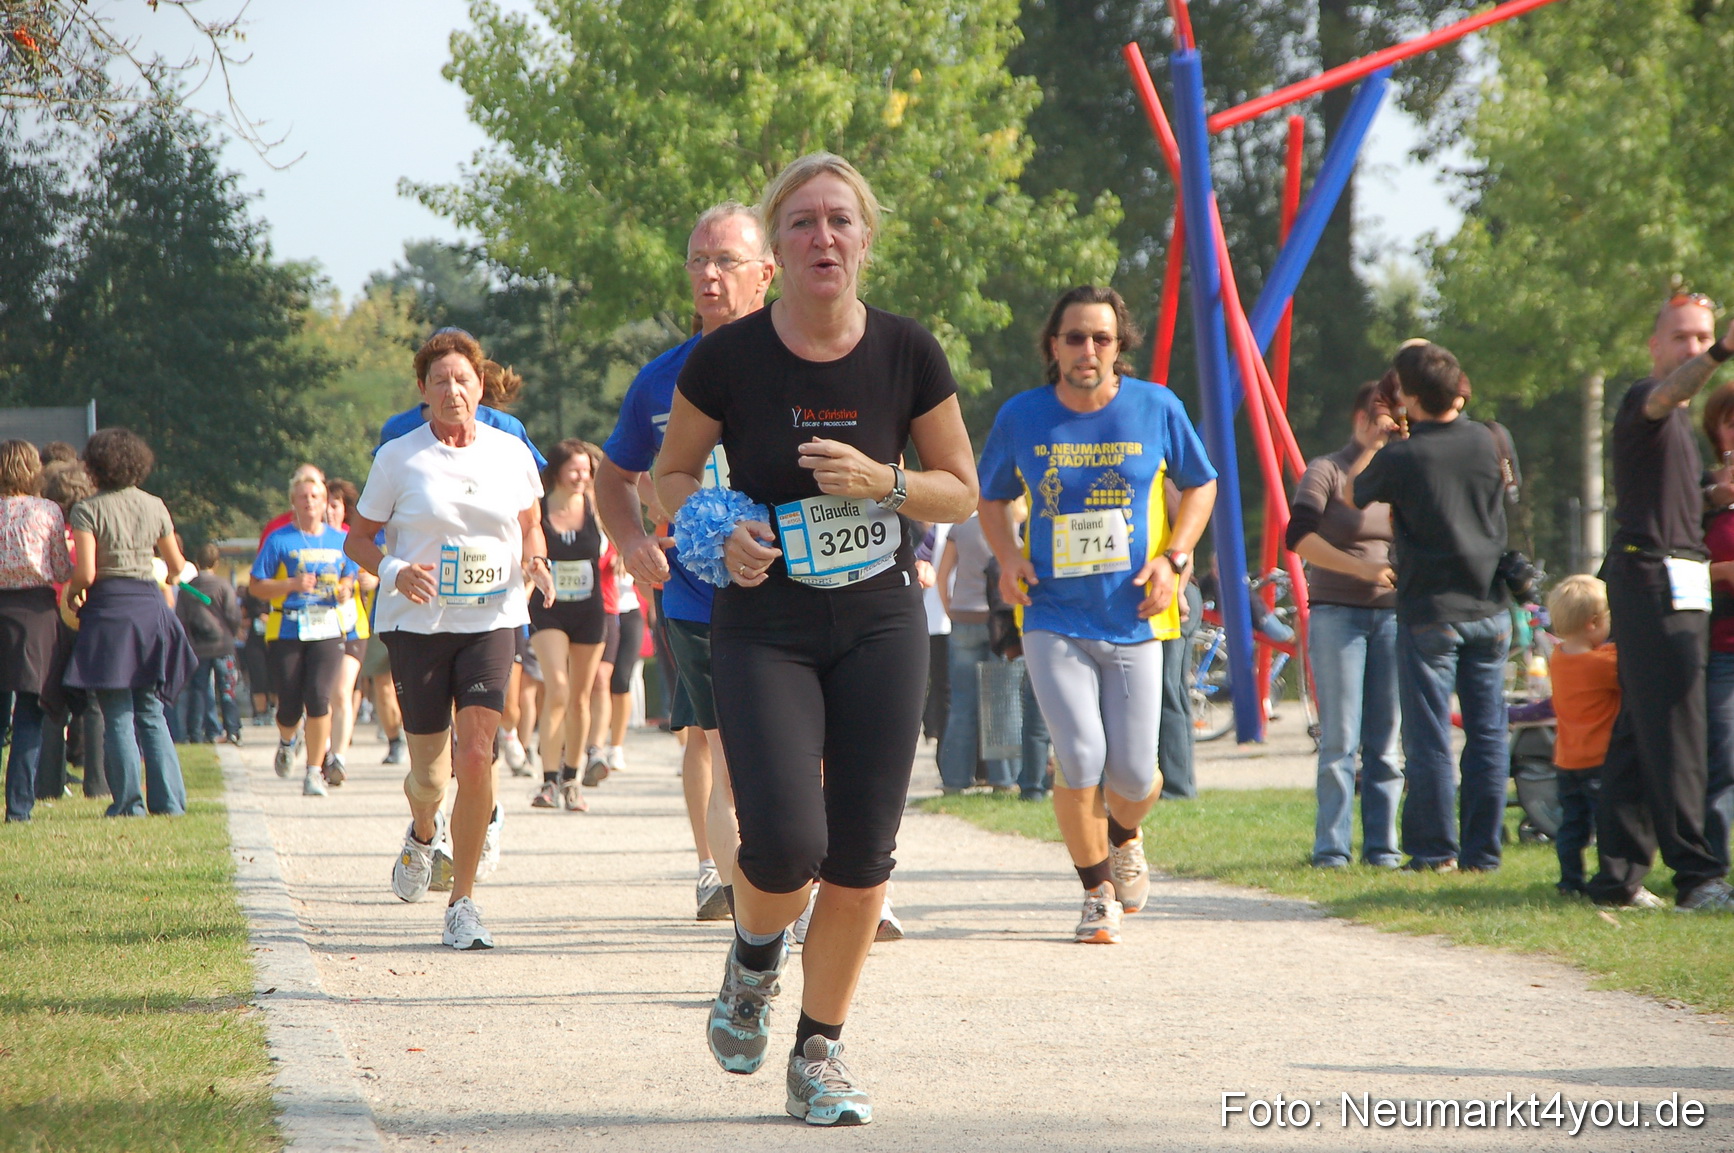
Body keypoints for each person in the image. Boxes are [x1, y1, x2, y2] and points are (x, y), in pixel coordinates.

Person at [657, 154, 978, 1125]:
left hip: (882, 619)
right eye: (801, 223)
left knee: (862, 855)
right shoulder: (729, 358)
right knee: (789, 840)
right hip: (767, 624)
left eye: (840, 220)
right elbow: (668, 478)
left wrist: (881, 482)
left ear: (865, 238)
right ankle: (755, 959)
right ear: (777, 248)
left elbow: (959, 487)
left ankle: (818, 1050)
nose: (822, 237)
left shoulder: (907, 352)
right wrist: (719, 530)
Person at [978, 285, 1217, 945]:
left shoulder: (1156, 407)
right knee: (1079, 755)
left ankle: (1124, 832)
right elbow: (990, 496)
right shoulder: (1023, 416)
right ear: (1052, 347)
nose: (1088, 350)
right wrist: (1007, 557)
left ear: (1120, 346)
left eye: (1101, 338)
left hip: (1136, 614)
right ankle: (1095, 892)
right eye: (1074, 337)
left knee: (1136, 773)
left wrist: (1175, 557)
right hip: (1053, 613)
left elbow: (1202, 482)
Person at [598, 200, 777, 921]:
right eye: (698, 260)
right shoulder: (660, 380)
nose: (708, 274)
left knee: (806, 756)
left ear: (766, 273)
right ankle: (752, 913)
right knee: (732, 761)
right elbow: (616, 478)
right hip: (702, 600)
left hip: (800, 590)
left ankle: (830, 885)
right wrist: (632, 541)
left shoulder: (804, 361)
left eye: (725, 260)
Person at [346, 328, 553, 950]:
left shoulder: (509, 448)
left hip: (492, 618)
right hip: (417, 625)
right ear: (423, 391)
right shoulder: (398, 456)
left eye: (464, 379)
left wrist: (536, 559)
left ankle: (463, 903)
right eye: (441, 381)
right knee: (431, 774)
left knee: (476, 752)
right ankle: (421, 830)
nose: (454, 390)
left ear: (481, 385)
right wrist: (394, 570)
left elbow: (530, 523)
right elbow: (359, 538)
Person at [1589, 294, 1734, 911]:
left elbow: (1667, 502)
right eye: (1683, 338)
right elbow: (1663, 395)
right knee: (1677, 727)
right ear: (1655, 346)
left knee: (1638, 730)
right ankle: (1699, 878)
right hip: (1653, 576)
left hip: (1667, 575)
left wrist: (1710, 496)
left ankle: (1617, 878)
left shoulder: (1680, 431)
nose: (1695, 347)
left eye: (1704, 338)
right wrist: (1725, 352)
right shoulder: (1646, 399)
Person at [1353, 342, 1509, 873]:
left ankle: (1434, 850)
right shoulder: (1492, 438)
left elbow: (1359, 493)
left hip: (1430, 610)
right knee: (1488, 735)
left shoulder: (1404, 453)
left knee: (1430, 738)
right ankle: (1484, 853)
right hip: (1491, 602)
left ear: (1412, 397)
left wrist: (1389, 434)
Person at [1287, 381, 1403, 869]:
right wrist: (1361, 569)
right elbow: (1298, 536)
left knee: (1386, 741)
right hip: (1339, 613)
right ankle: (1331, 848)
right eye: (1383, 414)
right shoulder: (1327, 470)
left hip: (1394, 615)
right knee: (1340, 738)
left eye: (1398, 414)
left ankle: (1383, 848)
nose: (1392, 423)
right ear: (1360, 416)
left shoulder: (1401, 470)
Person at [61, 429, 195, 818]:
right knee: (150, 710)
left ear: (95, 466)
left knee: (117, 711)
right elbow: (175, 567)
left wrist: (72, 593)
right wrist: (168, 580)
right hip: (148, 609)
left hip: (109, 612)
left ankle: (127, 803)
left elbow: (86, 572)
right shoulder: (155, 505)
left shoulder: (87, 509)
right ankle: (169, 803)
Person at [249, 466, 359, 798]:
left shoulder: (340, 539)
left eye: (315, 496)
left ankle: (313, 772)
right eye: (303, 497)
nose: (310, 502)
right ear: (293, 502)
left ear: (326, 500)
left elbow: (350, 575)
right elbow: (256, 586)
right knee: (289, 705)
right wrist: (291, 584)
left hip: (327, 628)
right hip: (287, 628)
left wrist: (346, 588)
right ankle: (287, 739)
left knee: (319, 697)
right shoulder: (279, 539)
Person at [527, 439, 610, 812]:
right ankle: (547, 780)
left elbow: (623, 535)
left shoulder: (596, 506)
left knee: (580, 695)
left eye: (586, 470)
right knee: (557, 688)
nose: (582, 475)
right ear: (557, 471)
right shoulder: (539, 509)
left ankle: (572, 779)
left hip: (590, 611)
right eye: (575, 469)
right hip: (548, 608)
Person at [1, 441, 72, 821]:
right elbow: (61, 569)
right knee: (30, 712)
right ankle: (19, 807)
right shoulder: (47, 511)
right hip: (35, 613)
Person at [1544, 575, 1617, 897]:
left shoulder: (1558, 658)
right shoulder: (1603, 662)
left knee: (1572, 826)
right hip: (1600, 759)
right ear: (1593, 623)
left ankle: (1569, 881)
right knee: (1609, 825)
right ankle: (1610, 877)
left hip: (1567, 759)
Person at [935, 512, 1017, 793]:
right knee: (1001, 702)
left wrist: (950, 610)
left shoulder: (960, 527)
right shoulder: (1010, 524)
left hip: (963, 618)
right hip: (1001, 620)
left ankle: (954, 781)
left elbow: (943, 575)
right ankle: (1004, 779)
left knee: (961, 704)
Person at [321, 477, 375, 785]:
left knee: (342, 691)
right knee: (321, 695)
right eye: (325, 504)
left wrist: (370, 580)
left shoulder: (356, 539)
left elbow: (375, 570)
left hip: (354, 627)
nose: (329, 510)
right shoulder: (309, 540)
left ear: (345, 509)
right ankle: (323, 748)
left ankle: (337, 757)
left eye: (335, 504)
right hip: (318, 628)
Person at [1702, 379, 1734, 871]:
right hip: (1720, 648)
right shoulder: (1699, 492)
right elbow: (1670, 563)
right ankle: (1711, 870)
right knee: (1723, 763)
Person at [175, 541, 244, 746]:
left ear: (197, 561)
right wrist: (231, 633)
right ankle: (232, 730)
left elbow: (181, 618)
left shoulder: (188, 588)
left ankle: (196, 732)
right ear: (216, 563)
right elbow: (233, 614)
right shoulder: (223, 586)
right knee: (227, 688)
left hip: (198, 647)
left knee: (199, 689)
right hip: (223, 645)